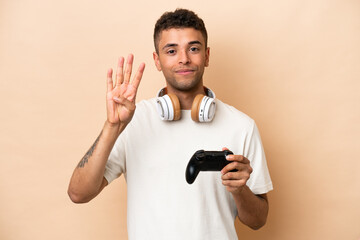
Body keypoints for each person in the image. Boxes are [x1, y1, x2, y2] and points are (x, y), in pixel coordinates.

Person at [68, 8, 273, 240]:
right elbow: (78, 193)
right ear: (157, 60)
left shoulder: (241, 126)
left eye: (193, 49)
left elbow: (258, 220)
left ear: (206, 56)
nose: (184, 58)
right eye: (171, 50)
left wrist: (239, 190)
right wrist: (112, 126)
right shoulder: (133, 121)